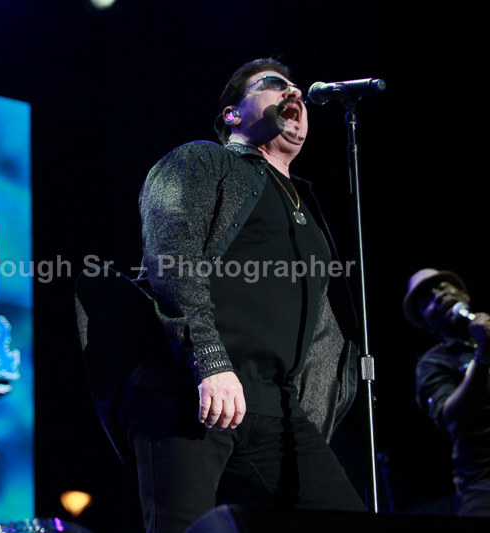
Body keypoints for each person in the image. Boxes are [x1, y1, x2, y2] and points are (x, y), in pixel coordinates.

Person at [130, 58, 365, 531]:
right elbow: (172, 255)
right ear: (232, 115)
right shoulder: (204, 161)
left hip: (275, 405)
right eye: (275, 85)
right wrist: (210, 361)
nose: (294, 93)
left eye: (297, 88)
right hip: (189, 388)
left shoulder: (305, 204)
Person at [403, 268, 490, 517]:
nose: (439, 296)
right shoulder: (433, 363)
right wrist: (482, 355)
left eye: (443, 287)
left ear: (464, 294)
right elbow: (454, 421)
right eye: (426, 301)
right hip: (484, 481)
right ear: (425, 322)